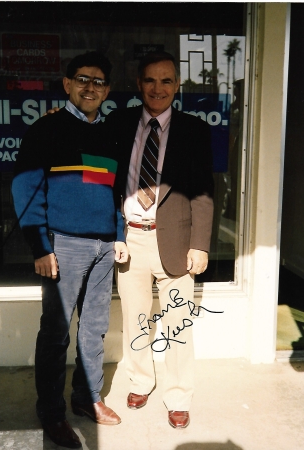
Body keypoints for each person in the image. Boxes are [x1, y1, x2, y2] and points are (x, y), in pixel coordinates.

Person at [12, 51, 128, 449]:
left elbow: (117, 192)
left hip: (103, 247)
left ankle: (87, 398)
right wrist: (41, 247)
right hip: (64, 247)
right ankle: (52, 413)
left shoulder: (112, 133)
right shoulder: (46, 131)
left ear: (107, 90)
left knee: (94, 329)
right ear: (66, 84)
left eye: (98, 81)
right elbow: (26, 191)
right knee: (57, 334)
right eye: (82, 79)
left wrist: (120, 236)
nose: (90, 87)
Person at [106, 51, 214, 429]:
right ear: (139, 85)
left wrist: (200, 244)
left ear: (177, 86)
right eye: (150, 81)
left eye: (166, 81)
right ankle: (141, 380)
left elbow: (202, 192)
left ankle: (179, 395)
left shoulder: (195, 130)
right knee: (136, 321)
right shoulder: (118, 123)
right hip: (131, 240)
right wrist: (112, 233)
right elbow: (102, 181)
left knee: (177, 327)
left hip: (178, 243)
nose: (158, 89)